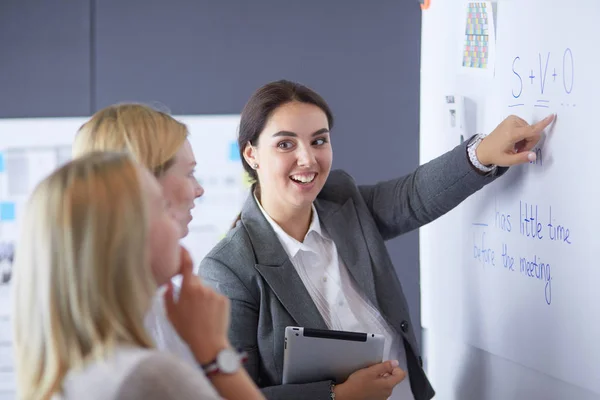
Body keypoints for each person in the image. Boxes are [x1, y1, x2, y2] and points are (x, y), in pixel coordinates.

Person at [188, 80, 555, 400]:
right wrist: (338, 396)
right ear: (251, 154)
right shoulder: (228, 269)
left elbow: (413, 197)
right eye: (286, 144)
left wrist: (482, 152)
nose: (308, 159)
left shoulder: (343, 201)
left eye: (319, 141)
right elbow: (233, 392)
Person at [12, 152, 264, 399]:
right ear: (128, 238)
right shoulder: (146, 377)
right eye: (163, 207)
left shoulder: (82, 370)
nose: (175, 219)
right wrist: (214, 350)